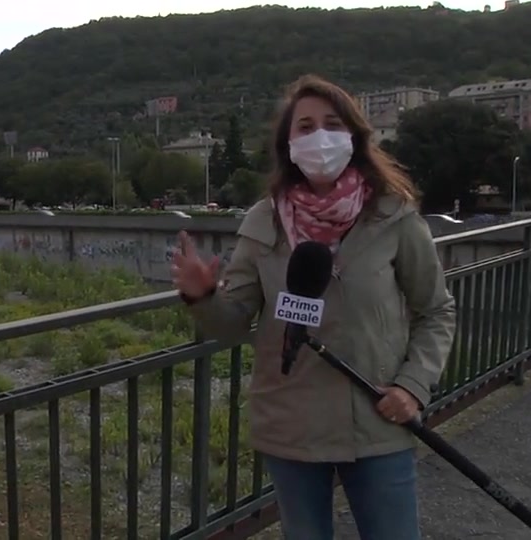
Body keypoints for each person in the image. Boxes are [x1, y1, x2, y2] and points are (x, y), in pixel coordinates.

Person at [171, 75, 456, 539]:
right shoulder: (263, 221)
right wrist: (202, 296)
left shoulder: (394, 215)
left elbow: (436, 311)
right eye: (305, 126)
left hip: (379, 418)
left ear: (354, 137)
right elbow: (233, 322)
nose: (319, 136)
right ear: (288, 143)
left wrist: (413, 387)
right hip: (291, 426)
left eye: (331, 124)